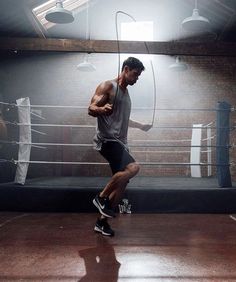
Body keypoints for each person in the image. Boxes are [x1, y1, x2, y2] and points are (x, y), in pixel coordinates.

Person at [88, 57, 152, 236]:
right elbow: (91, 108)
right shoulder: (108, 86)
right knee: (134, 167)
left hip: (120, 143)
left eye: (139, 76)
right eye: (135, 74)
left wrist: (141, 126)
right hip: (107, 140)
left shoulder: (126, 94)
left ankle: (101, 223)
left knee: (122, 183)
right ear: (125, 69)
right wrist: (101, 109)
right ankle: (100, 198)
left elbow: (124, 119)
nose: (137, 79)